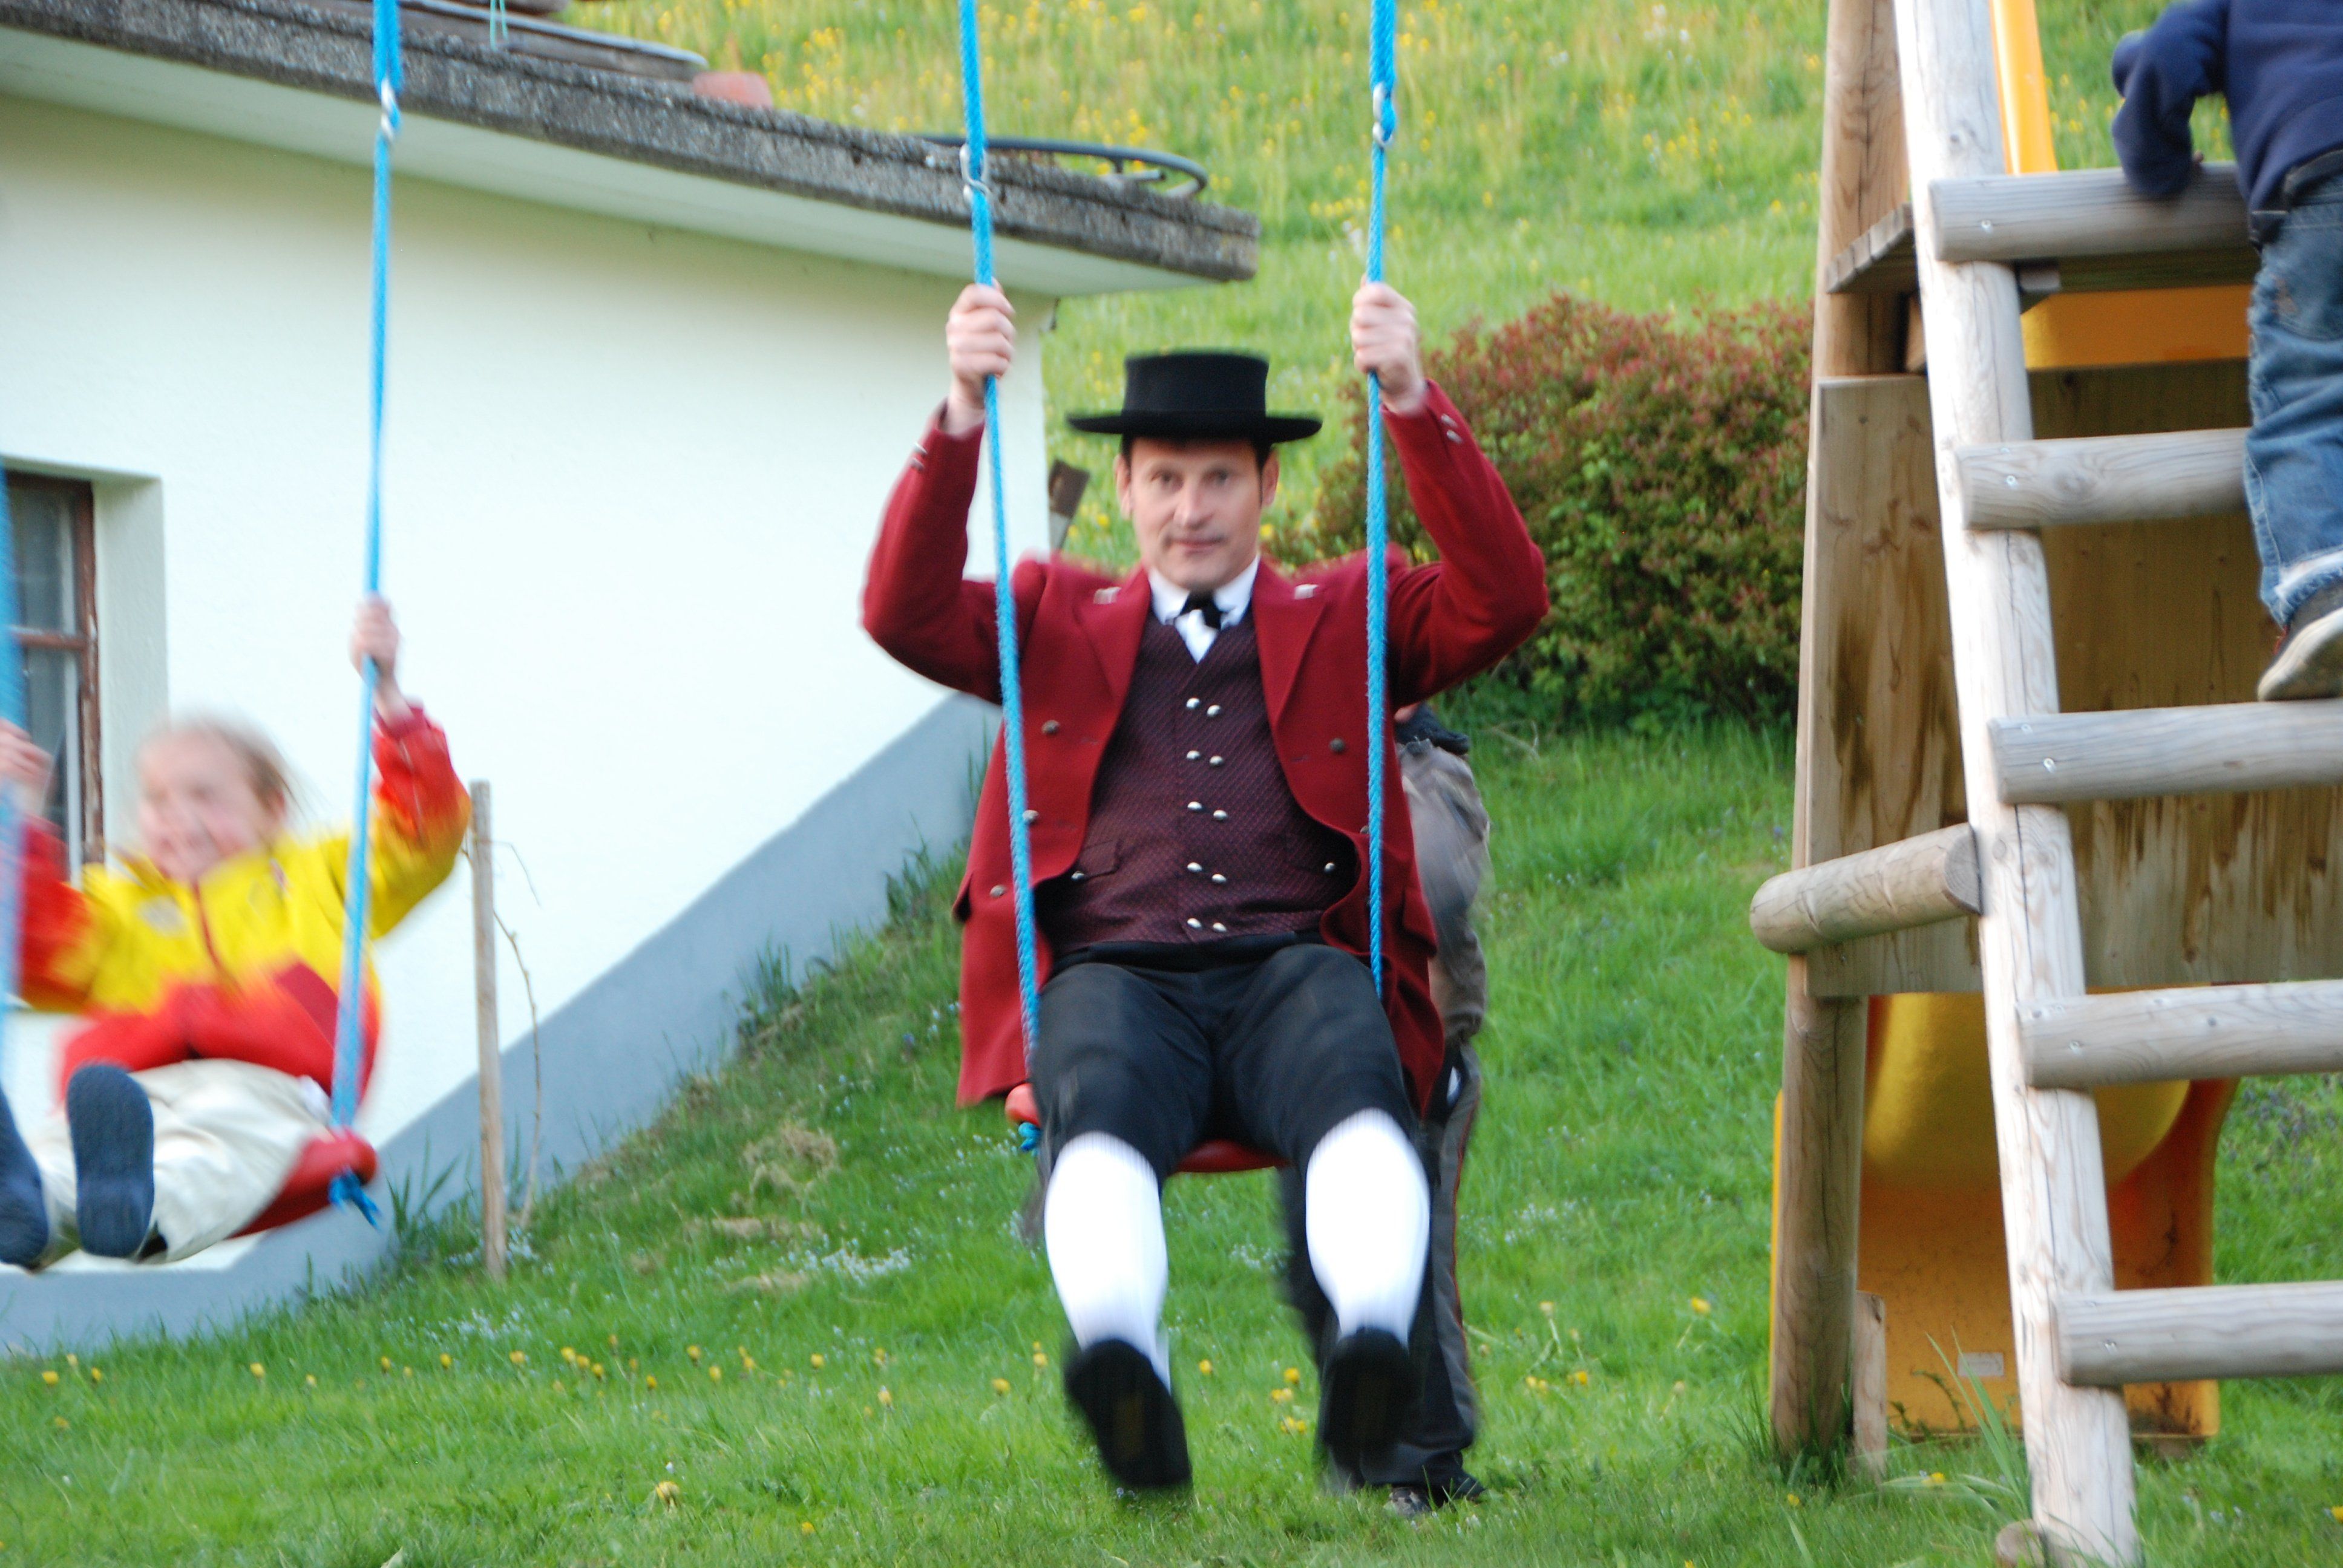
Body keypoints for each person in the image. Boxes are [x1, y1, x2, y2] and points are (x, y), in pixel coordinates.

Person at [863, 279, 1546, 1490]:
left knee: (1355, 1086)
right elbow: (900, 611)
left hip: (1295, 968)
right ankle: (1124, 1362)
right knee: (1095, 1103)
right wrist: (961, 409)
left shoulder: (1346, 611)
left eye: (1220, 478)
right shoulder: (1050, 616)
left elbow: (1505, 597)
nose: (1191, 509)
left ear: (1266, 485)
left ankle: (1372, 1349)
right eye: (1166, 479)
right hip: (1118, 976)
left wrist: (1409, 396)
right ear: (1124, 488)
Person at [0, 596, 469, 1267]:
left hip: (266, 1089)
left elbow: (425, 834)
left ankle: (138, 1206)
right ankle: (30, 1208)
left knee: (219, 1149)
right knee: (60, 1146)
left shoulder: (322, 876)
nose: (178, 817)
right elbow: (32, 950)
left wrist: (389, 696)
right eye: (159, 799)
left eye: (205, 796)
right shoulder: (120, 907)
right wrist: (18, 810)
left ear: (271, 809)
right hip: (129, 1099)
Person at [1280, 701, 1492, 1517]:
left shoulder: (1429, 773)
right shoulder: (1310, 766)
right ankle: (1363, 1445)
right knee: (1318, 1262)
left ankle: (1430, 1460)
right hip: (1320, 1068)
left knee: (1410, 1260)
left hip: (1416, 1060)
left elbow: (1434, 885)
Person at [2109, 1, 2343, 699]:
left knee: (2304, 405)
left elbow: (2166, 56)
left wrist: (2156, 166)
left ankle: (2321, 596)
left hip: (2321, 194)